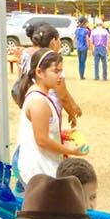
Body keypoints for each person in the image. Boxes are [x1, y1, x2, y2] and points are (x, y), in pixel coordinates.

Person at [14, 49, 85, 188]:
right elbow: (42, 140)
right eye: (56, 71)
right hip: (37, 170)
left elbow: (42, 131)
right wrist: (71, 151)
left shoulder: (41, 95)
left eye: (61, 71)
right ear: (39, 72)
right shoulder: (38, 101)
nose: (60, 76)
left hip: (39, 168)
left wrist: (63, 134)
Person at [21, 22, 82, 127]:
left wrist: (74, 105)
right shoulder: (53, 62)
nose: (60, 42)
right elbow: (62, 95)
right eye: (59, 39)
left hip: (34, 109)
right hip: (50, 110)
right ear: (53, 41)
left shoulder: (32, 56)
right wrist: (71, 113)